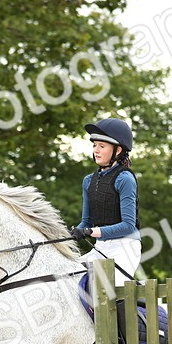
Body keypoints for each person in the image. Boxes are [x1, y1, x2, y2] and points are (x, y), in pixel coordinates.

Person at [70, 117, 141, 283]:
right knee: (67, 278)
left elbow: (128, 225)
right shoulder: (88, 181)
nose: (96, 150)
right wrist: (72, 233)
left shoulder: (125, 179)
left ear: (117, 151)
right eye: (94, 145)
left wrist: (90, 232)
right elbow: (86, 221)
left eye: (102, 146)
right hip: (100, 247)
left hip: (125, 248)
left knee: (106, 289)